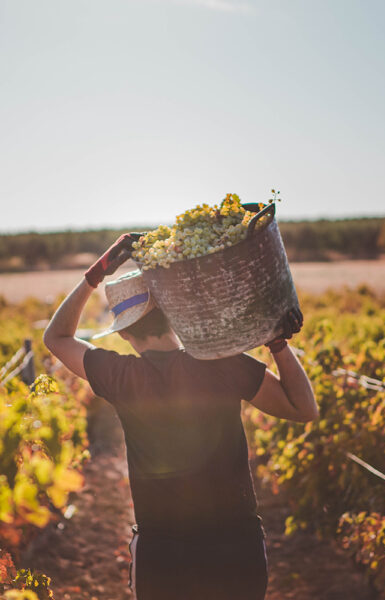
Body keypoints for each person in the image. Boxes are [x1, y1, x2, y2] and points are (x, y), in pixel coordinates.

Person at [43, 233, 318, 600]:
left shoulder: (120, 376)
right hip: (235, 546)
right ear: (173, 316)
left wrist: (97, 273)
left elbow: (56, 338)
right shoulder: (222, 363)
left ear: (123, 333)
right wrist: (278, 343)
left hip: (163, 551)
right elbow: (303, 409)